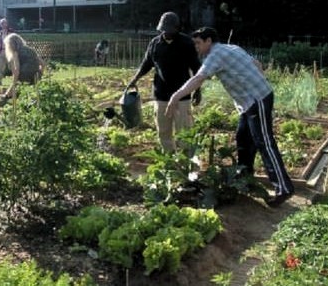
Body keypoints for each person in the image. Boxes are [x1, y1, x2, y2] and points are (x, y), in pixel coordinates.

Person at [166, 27, 295, 207]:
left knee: (264, 142)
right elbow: (257, 63)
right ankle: (245, 180)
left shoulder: (215, 56)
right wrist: (257, 80)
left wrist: (175, 96)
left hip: (257, 99)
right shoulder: (232, 48)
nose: (196, 47)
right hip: (252, 101)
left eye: (198, 43)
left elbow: (198, 78)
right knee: (243, 139)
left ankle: (284, 188)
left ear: (209, 41)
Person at [126, 12, 201, 153]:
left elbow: (196, 67)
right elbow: (146, 64)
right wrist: (134, 79)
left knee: (185, 132)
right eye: (164, 31)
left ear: (177, 29)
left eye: (170, 31)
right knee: (163, 131)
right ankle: (170, 161)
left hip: (182, 95)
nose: (167, 34)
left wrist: (198, 90)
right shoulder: (155, 43)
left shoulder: (186, 43)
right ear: (160, 29)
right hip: (161, 94)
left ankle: (187, 165)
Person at [0, 33, 44, 107]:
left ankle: (4, 102)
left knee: (17, 94)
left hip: (24, 76)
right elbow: (42, 64)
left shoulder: (15, 52)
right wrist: (40, 74)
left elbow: (17, 71)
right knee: (32, 95)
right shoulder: (31, 50)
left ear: (11, 45)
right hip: (36, 75)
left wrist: (12, 86)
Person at [0, 18, 13, 85]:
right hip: (2, 51)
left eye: (4, 23)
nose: (3, 25)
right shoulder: (1, 32)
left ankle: (15, 80)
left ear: (6, 24)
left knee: (11, 67)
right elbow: (0, 41)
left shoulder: (11, 31)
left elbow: (14, 40)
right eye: (1, 23)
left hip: (9, 51)